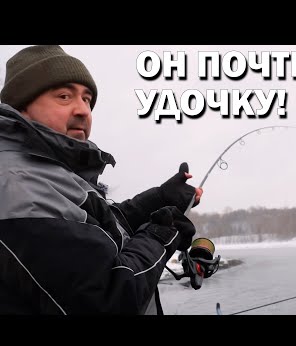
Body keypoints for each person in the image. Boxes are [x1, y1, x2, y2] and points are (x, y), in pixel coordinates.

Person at [0, 45, 203, 315]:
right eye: (64, 96)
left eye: (87, 99)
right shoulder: (17, 183)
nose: (84, 110)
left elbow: (100, 229)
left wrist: (160, 197)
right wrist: (163, 233)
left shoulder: (49, 174)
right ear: (21, 108)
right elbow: (109, 299)